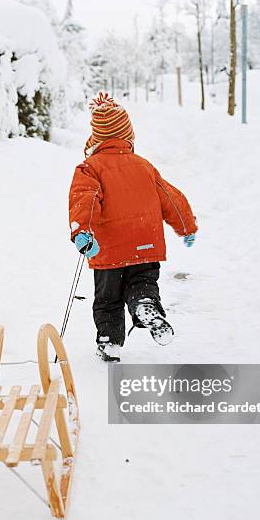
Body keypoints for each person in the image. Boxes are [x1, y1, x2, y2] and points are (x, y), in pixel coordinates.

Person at [68, 92, 198, 362]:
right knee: (143, 282)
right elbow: (170, 198)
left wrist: (82, 231)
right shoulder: (144, 166)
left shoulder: (90, 168)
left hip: (109, 251)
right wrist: (186, 226)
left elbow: (85, 199)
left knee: (108, 299)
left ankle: (109, 342)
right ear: (128, 136)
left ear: (97, 139)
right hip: (146, 243)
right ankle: (144, 304)